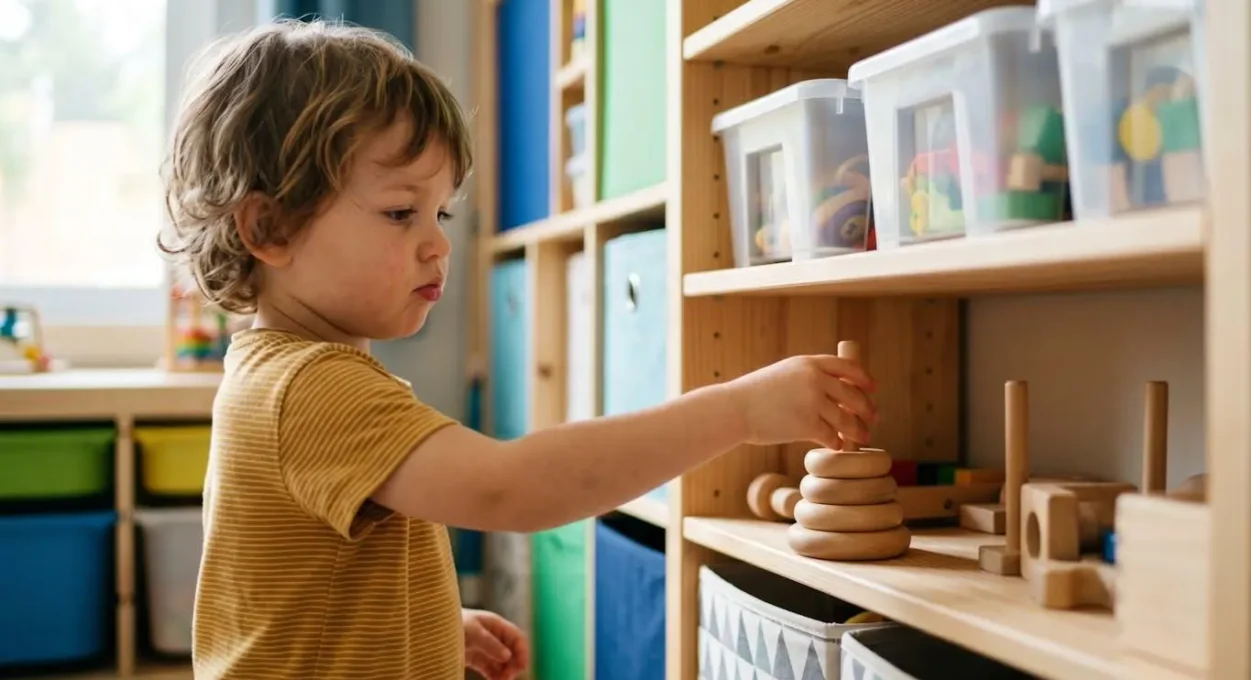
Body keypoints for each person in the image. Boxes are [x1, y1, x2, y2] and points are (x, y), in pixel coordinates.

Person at [160, 19, 877, 680]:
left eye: (440, 212)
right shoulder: (312, 387)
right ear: (271, 227)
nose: (438, 242)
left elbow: (310, 595)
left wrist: (429, 625)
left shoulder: (281, 373)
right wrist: (742, 411)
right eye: (400, 212)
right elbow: (512, 487)